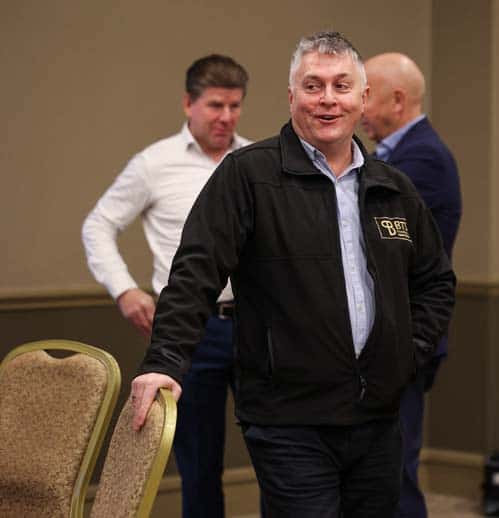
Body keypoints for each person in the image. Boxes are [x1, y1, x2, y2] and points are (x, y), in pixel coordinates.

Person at [128, 31, 456, 518]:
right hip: (288, 420)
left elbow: (435, 282)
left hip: (377, 417)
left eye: (341, 86)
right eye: (313, 85)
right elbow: (195, 273)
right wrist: (164, 361)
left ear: (362, 97)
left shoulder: (393, 188)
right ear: (291, 96)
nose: (327, 99)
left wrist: (405, 354)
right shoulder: (248, 176)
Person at [81, 54, 260, 518]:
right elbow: (98, 225)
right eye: (215, 105)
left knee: (278, 450)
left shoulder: (256, 162)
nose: (226, 117)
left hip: (258, 323)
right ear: (188, 104)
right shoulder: (154, 163)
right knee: (199, 461)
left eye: (235, 106)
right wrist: (125, 290)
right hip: (191, 328)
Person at [361, 52, 462, 518]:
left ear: (397, 100)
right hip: (388, 338)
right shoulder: (393, 155)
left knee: (395, 474)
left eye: (366, 95)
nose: (357, 107)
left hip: (406, 338)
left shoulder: (422, 158)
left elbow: (378, 245)